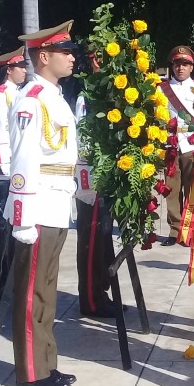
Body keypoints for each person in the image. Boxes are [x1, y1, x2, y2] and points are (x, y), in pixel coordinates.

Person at [3, 20, 79, 386]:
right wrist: (22, 218)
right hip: (37, 207)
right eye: (65, 52)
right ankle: (32, 372)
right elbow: (23, 162)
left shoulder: (54, 96)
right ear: (44, 55)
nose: (72, 57)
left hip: (56, 203)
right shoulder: (31, 100)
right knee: (32, 290)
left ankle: (46, 362)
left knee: (46, 289)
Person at [73, 54, 117, 319]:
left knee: (103, 238)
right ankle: (91, 299)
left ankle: (101, 292)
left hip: (109, 173)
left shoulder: (114, 90)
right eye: (99, 59)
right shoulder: (86, 97)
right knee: (91, 241)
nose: (104, 63)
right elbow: (84, 139)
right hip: (91, 175)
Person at [160, 45, 194, 245]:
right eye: (177, 64)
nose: (180, 68)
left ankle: (189, 231)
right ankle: (174, 230)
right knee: (171, 190)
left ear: (192, 67)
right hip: (171, 145)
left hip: (192, 146)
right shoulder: (161, 89)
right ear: (172, 66)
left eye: (185, 64)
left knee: (192, 190)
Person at [0, 46, 27, 175]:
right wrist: (2, 161)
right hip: (6, 156)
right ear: (9, 70)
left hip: (16, 152)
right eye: (21, 67)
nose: (25, 71)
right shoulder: (1, 94)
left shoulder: (18, 92)